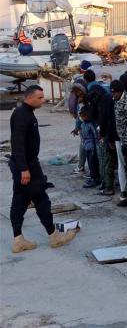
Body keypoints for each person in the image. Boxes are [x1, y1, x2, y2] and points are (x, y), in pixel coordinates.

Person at [10, 86, 77, 253]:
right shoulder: (21, 115)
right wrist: (24, 169)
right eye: (40, 98)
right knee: (41, 199)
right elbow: (17, 143)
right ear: (29, 98)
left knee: (20, 200)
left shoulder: (27, 113)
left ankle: (18, 240)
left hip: (26, 164)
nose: (43, 100)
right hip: (27, 166)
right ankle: (54, 236)